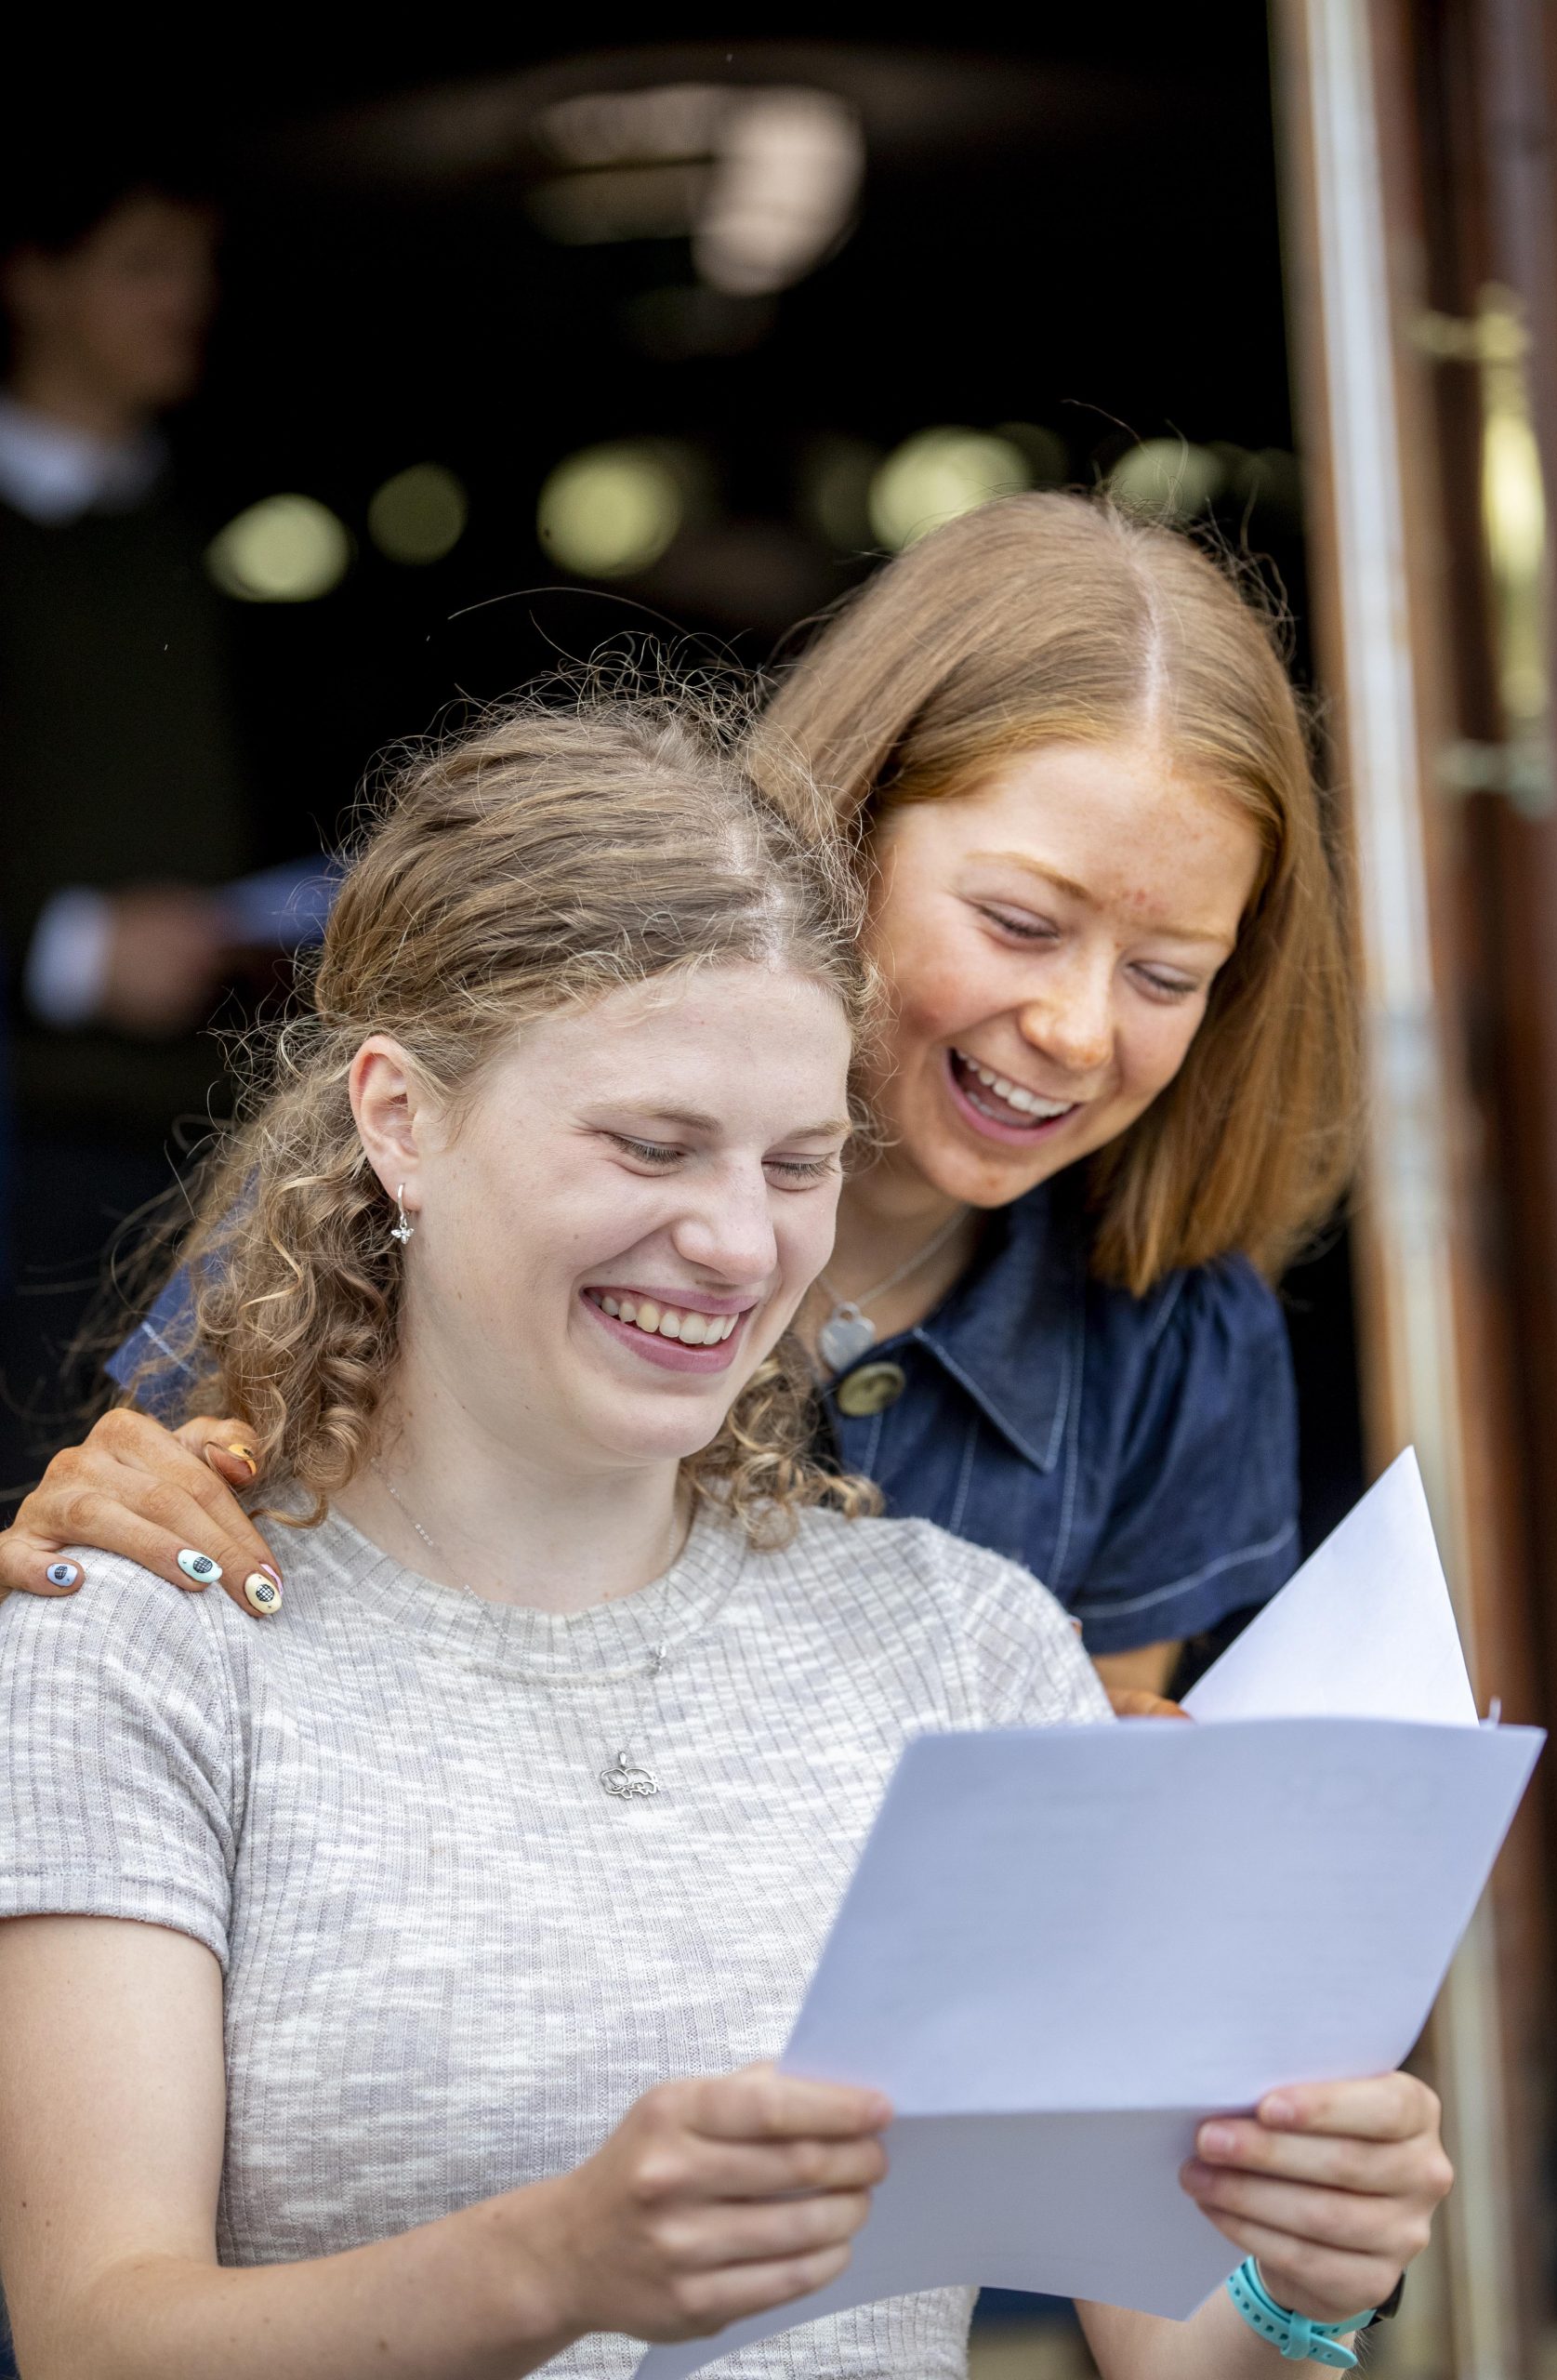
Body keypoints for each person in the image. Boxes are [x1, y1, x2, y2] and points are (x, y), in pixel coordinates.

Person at [0, 700, 1450, 2380]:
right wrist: (553, 2265)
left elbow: (1169, 2349)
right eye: (649, 1143)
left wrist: (1303, 2272)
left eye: (801, 1161)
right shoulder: (139, 1635)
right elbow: (102, 2339)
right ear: (400, 1118)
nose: (735, 1241)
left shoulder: (966, 1642)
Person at [0, 495, 1351, 1723]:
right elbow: (173, 1539)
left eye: (1168, 975)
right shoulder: (418, 1169)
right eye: (1016, 922)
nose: (1075, 1026)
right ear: (840, 838)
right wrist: (105, 1531)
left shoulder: (1173, 1328)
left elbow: (1087, 1761)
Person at [0, 148, 248, 1501]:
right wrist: (73, 948)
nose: (187, 300)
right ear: (33, 281)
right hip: (35, 1139)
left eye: (195, 267)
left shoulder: (177, 530)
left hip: (193, 1127)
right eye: (145, 264)